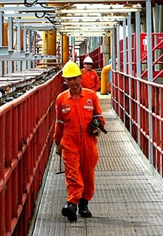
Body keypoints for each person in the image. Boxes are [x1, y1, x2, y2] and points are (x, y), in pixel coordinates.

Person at [54, 60, 106, 222]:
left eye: (74, 78)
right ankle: (72, 203)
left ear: (80, 78)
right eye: (69, 79)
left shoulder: (91, 96)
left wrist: (96, 128)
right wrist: (58, 143)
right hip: (70, 142)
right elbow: (59, 123)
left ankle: (84, 203)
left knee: (87, 173)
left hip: (88, 142)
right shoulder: (61, 99)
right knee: (72, 173)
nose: (72, 82)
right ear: (65, 80)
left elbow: (100, 118)